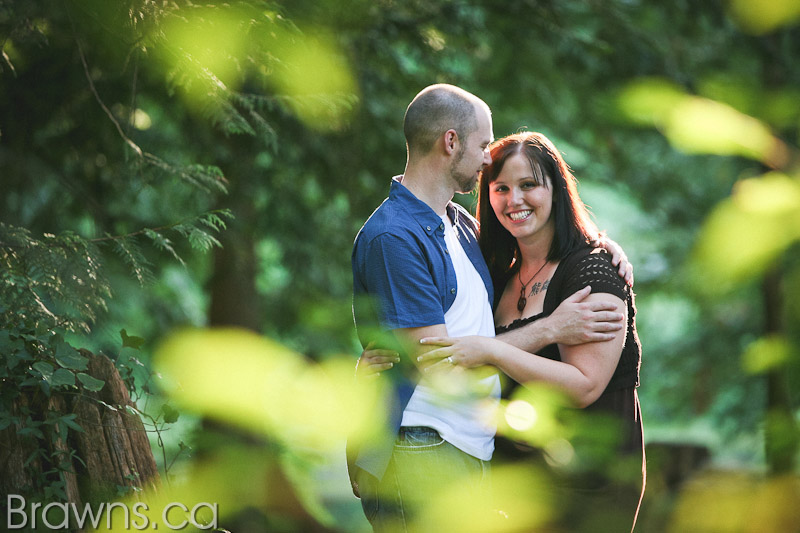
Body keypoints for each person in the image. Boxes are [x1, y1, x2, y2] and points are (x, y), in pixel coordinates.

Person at [350, 85, 631, 532]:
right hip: (422, 451)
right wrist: (551, 328)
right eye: (483, 144)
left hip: (469, 453)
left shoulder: (459, 225)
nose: (486, 160)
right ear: (450, 142)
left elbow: (535, 242)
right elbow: (437, 366)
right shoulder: (395, 238)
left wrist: (601, 247)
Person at [411, 131, 646, 531]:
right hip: (513, 485)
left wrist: (493, 350)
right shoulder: (495, 274)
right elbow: (449, 352)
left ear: (557, 190)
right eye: (501, 188)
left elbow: (585, 385)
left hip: (588, 482)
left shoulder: (593, 271)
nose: (514, 200)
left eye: (529, 185)